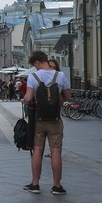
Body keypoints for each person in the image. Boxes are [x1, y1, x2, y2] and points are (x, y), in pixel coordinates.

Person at [22, 50, 71, 195]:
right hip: (55, 119)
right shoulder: (60, 75)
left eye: (35, 65)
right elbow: (67, 96)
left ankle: (35, 184)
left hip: (39, 119)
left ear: (37, 62)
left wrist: (24, 99)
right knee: (56, 151)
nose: (35, 67)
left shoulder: (33, 76)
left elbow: (29, 97)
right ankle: (57, 186)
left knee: (37, 150)